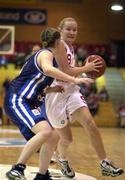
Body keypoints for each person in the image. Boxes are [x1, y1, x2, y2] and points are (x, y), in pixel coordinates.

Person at [4, 27, 94, 180]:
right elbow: (47, 69)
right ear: (58, 42)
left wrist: (52, 89)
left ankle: (42, 175)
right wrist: (75, 79)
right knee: (45, 132)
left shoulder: (48, 57)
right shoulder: (46, 54)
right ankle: (17, 169)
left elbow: (35, 84)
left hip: (29, 101)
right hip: (18, 99)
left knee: (53, 135)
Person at [44, 17, 124, 178]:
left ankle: (104, 162)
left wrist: (84, 71)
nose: (72, 32)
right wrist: (86, 68)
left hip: (71, 90)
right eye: (69, 29)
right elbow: (66, 71)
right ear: (60, 30)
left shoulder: (70, 47)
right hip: (55, 93)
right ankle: (62, 158)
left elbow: (70, 70)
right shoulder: (58, 44)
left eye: (75, 29)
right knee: (67, 139)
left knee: (91, 124)